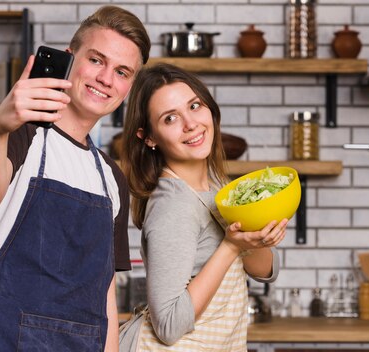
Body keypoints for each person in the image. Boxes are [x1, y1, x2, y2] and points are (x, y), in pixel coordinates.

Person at [0, 5, 150, 352]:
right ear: (70, 58)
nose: (106, 79)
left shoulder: (111, 178)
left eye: (122, 71)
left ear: (128, 86)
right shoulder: (18, 133)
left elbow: (105, 295)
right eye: (96, 60)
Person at [121, 63, 288, 351]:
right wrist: (231, 247)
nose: (191, 124)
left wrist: (256, 239)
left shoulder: (217, 187)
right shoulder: (172, 205)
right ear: (149, 137)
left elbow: (265, 270)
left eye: (194, 106)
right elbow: (169, 326)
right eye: (170, 118)